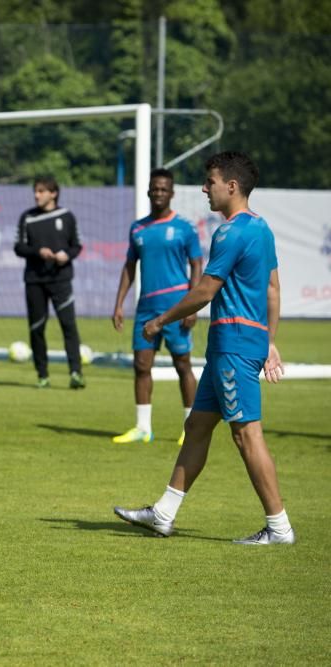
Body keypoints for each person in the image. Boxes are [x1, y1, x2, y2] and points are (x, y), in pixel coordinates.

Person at [114, 151, 294, 545]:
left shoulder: (231, 232)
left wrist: (160, 320)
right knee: (196, 427)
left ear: (231, 186)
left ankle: (279, 527)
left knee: (247, 434)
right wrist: (270, 339)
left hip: (233, 343)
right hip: (235, 343)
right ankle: (163, 513)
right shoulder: (262, 229)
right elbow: (273, 289)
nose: (204, 188)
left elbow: (205, 290)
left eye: (209, 181)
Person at [111, 168, 203, 445]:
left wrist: (192, 305)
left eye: (164, 189)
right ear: (149, 191)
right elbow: (129, 266)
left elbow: (197, 264)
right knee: (141, 365)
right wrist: (118, 304)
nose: (159, 193)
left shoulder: (185, 228)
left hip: (176, 307)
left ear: (171, 193)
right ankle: (143, 428)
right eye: (155, 188)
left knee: (182, 365)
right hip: (146, 308)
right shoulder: (137, 228)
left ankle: (191, 427)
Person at [13, 176, 86, 389]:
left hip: (61, 279)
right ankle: (42, 375)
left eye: (41, 191)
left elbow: (77, 246)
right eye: (36, 191)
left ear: (53, 193)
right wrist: (38, 252)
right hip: (34, 280)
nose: (37, 195)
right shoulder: (27, 217)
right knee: (36, 328)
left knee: (68, 325)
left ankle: (76, 373)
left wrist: (67, 255)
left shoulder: (67, 216)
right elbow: (18, 247)